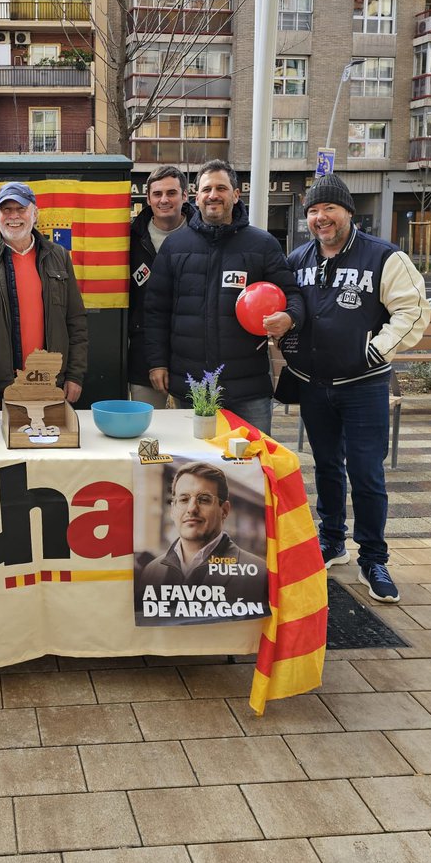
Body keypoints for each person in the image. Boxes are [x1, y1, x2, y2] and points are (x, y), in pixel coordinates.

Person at [281, 173, 430, 603]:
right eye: (313, 210)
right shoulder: (298, 259)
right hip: (314, 384)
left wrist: (376, 350)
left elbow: (413, 311)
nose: (320, 217)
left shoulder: (384, 257)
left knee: (366, 472)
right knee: (326, 466)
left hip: (363, 386)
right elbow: (287, 305)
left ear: (348, 211)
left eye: (329, 208)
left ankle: (374, 558)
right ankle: (332, 540)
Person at [144, 159, 304, 434]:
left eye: (221, 188)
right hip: (191, 386)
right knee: (195, 459)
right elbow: (156, 311)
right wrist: (157, 362)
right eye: (207, 189)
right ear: (196, 197)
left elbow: (292, 295)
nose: (213, 195)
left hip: (248, 390)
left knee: (253, 459)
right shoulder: (175, 246)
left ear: (236, 194)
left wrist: (289, 317)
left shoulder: (262, 244)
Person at [0, 181, 88, 404]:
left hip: (52, 383)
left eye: (21, 209)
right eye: (6, 209)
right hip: (3, 388)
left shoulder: (59, 257)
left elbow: (76, 321)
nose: (13, 216)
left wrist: (75, 375)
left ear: (34, 213)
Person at [139, 461, 266, 603]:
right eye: (184, 499)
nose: (191, 509)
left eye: (204, 499)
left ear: (224, 510)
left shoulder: (260, 574)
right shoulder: (151, 571)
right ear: (173, 509)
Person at [129, 165, 188, 407]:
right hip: (143, 358)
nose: (164, 200)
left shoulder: (202, 238)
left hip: (192, 358)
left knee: (193, 427)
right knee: (147, 427)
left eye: (171, 193)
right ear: (148, 199)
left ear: (185, 196)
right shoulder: (130, 239)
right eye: (157, 194)